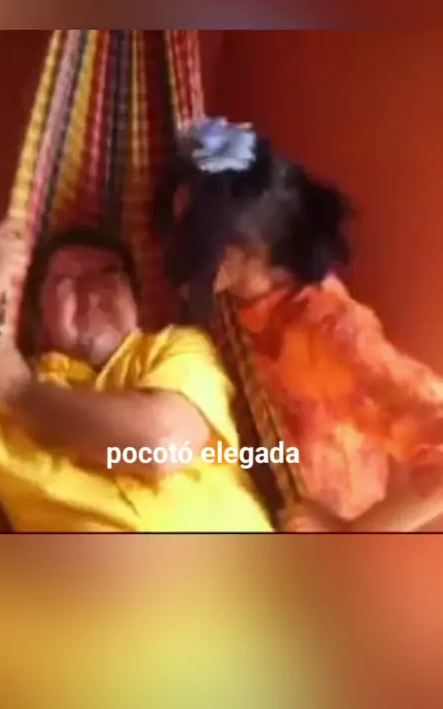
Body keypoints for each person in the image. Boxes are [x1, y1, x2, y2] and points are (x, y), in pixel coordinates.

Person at [154, 116, 443, 532]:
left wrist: (353, 538)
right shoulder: (236, 300)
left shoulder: (333, 332)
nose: (173, 251)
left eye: (192, 240)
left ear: (251, 250)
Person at [0, 219, 272, 532]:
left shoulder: (176, 347)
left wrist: (19, 392)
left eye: (109, 274)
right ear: (38, 320)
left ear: (137, 305)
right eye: (65, 281)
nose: (91, 289)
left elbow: (161, 445)